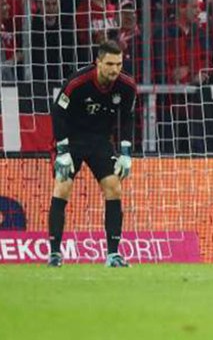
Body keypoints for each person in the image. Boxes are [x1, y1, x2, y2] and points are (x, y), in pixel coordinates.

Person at [47, 41, 137, 268]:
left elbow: (127, 118)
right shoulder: (78, 82)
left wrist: (126, 151)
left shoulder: (126, 85)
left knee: (114, 188)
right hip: (71, 138)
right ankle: (55, 254)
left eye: (118, 64)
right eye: (109, 64)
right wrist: (63, 150)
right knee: (62, 187)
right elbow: (58, 113)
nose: (114, 69)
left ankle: (113, 255)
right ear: (98, 62)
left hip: (99, 141)